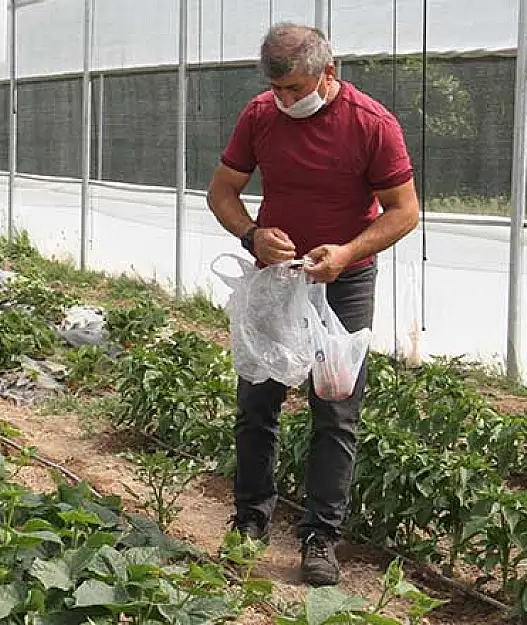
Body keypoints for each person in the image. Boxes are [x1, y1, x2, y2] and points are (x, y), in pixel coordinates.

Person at [206, 23, 419, 587]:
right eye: (276, 89)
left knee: (335, 408)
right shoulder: (259, 116)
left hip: (344, 281)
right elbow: (221, 191)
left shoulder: (372, 124)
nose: (284, 100)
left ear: (331, 72)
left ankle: (320, 536)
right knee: (258, 399)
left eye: (295, 89)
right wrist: (252, 236)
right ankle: (251, 519)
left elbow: (404, 210)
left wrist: (348, 252)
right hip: (277, 280)